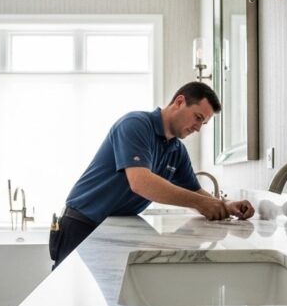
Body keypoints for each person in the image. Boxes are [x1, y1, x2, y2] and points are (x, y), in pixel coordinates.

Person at [49, 81, 256, 269]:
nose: (198, 128)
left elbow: (195, 191)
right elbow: (140, 183)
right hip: (82, 225)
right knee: (71, 298)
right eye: (198, 117)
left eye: (203, 123)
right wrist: (202, 204)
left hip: (114, 228)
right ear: (179, 102)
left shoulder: (177, 150)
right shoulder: (135, 124)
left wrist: (225, 207)